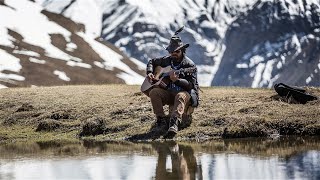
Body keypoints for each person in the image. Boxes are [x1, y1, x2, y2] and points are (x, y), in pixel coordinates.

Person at [146, 35, 199, 137]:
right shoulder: (167, 60)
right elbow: (151, 62)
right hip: (169, 92)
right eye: (171, 52)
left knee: (180, 96)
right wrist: (149, 72)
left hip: (185, 94)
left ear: (182, 51)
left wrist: (177, 80)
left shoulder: (190, 65)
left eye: (177, 51)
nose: (173, 54)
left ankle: (174, 124)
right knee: (154, 92)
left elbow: (190, 86)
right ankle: (161, 121)